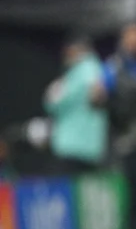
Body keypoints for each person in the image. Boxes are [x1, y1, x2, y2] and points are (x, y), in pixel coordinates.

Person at [43, 35, 108, 174]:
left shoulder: (88, 67)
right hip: (83, 147)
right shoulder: (75, 72)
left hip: (76, 147)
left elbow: (96, 91)